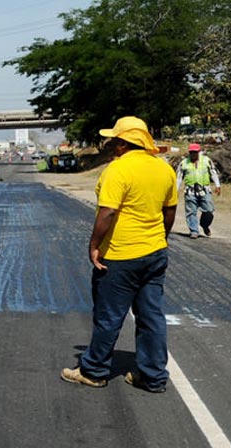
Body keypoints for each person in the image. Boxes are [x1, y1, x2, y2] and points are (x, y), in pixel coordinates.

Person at [61, 116, 177, 394]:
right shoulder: (164, 170)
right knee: (151, 317)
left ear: (124, 143)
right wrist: (160, 237)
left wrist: (94, 245)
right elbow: (169, 211)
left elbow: (108, 211)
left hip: (120, 256)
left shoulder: (117, 170)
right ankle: (153, 377)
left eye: (114, 139)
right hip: (155, 253)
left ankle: (94, 371)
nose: (111, 144)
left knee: (109, 316)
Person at [175, 143, 221, 239]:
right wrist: (176, 189)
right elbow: (179, 177)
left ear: (199, 152)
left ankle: (204, 225)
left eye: (195, 152)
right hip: (190, 191)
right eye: (191, 152)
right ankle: (194, 231)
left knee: (209, 210)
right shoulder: (184, 163)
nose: (193, 154)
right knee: (191, 212)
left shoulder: (206, 161)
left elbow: (213, 172)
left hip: (204, 190)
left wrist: (217, 185)